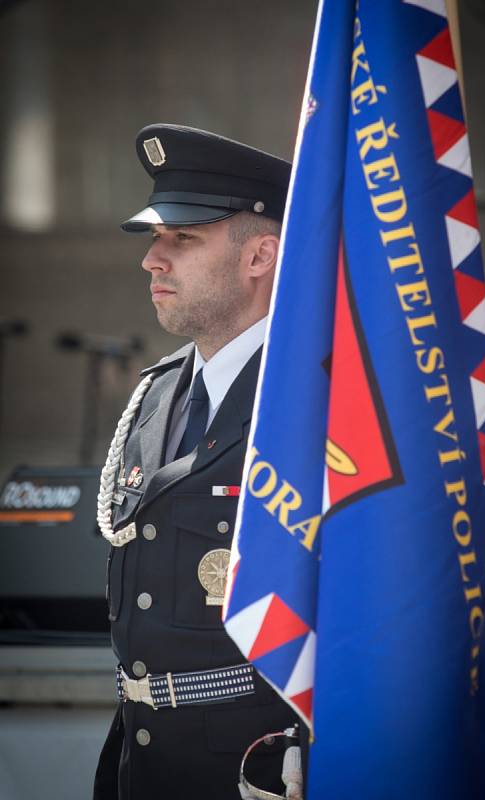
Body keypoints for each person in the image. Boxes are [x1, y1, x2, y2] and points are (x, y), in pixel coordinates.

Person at [93, 124, 297, 800]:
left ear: (259, 256)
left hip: (260, 768)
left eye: (182, 238)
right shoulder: (155, 393)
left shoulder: (313, 399)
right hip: (142, 761)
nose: (153, 259)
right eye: (155, 239)